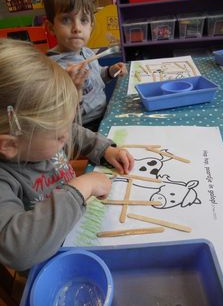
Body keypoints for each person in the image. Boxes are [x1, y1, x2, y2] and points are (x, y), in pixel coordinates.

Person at [0, 38, 134, 271]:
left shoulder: (33, 139)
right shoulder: (4, 179)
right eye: (58, 136)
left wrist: (105, 149)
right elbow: (17, 250)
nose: (66, 136)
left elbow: (72, 133)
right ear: (10, 146)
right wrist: (82, 188)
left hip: (78, 227)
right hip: (48, 262)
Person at [43, 0, 127, 132]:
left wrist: (110, 71)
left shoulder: (87, 52)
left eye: (83, 20)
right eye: (66, 20)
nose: (77, 28)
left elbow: (97, 77)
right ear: (51, 27)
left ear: (91, 26)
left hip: (105, 115)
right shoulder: (51, 69)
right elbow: (57, 117)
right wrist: (74, 90)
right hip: (82, 129)